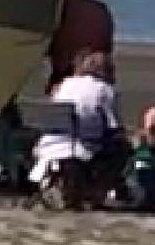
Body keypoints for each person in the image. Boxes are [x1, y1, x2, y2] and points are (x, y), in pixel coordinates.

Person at [29, 51, 129, 208]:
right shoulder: (103, 89)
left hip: (49, 143)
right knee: (121, 149)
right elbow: (113, 125)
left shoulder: (65, 84)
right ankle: (96, 191)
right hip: (81, 145)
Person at [47, 0, 115, 93]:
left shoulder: (55, 11)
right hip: (101, 83)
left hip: (64, 82)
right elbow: (106, 46)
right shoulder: (100, 9)